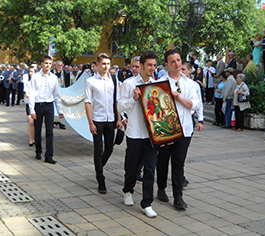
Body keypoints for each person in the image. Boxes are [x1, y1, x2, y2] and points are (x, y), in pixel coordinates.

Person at [156, 49, 200, 210]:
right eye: (173, 61)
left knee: (178, 162)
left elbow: (195, 105)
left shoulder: (190, 84)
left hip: (185, 129)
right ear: (167, 64)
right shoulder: (161, 83)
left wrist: (179, 98)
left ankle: (178, 197)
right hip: (166, 129)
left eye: (179, 60)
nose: (177, 64)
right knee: (162, 160)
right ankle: (161, 188)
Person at [117, 50, 159, 218]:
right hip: (134, 132)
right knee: (132, 167)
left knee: (150, 168)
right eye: (149, 65)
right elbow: (120, 107)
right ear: (141, 65)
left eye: (155, 65)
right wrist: (133, 99)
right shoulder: (129, 84)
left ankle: (147, 203)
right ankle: (128, 190)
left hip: (151, 134)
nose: (152, 68)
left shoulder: (157, 84)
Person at [84, 52, 122, 194]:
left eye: (108, 64)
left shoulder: (114, 79)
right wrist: (90, 122)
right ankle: (101, 178)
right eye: (103, 64)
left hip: (111, 119)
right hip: (97, 119)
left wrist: (119, 118)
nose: (106, 66)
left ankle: (98, 166)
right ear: (97, 65)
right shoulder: (91, 82)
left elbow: (117, 100)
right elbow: (87, 102)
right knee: (98, 149)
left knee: (110, 149)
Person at [29, 55, 64, 164]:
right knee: (38, 129)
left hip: (49, 106)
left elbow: (57, 95)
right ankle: (38, 151)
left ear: (51, 65)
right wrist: (32, 110)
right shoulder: (35, 77)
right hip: (38, 106)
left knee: (50, 131)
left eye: (49, 63)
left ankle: (49, 155)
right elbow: (31, 94)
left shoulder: (54, 78)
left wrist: (60, 110)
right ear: (42, 64)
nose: (47, 65)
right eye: (46, 63)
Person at [23, 66, 36, 146]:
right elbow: (26, 91)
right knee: (30, 121)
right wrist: (27, 94)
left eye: (32, 72)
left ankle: (33, 138)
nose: (31, 73)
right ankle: (30, 140)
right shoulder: (27, 80)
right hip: (29, 103)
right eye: (30, 72)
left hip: (36, 103)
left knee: (34, 122)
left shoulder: (37, 81)